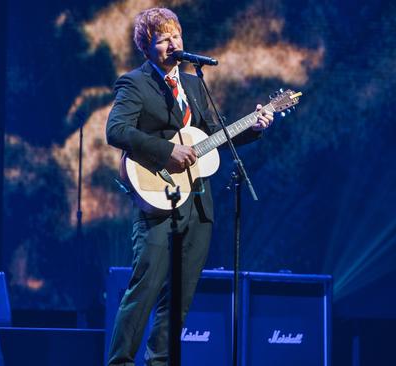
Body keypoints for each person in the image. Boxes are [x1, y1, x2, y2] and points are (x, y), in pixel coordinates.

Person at [105, 7, 273, 366]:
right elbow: (116, 130)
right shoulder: (135, 83)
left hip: (197, 205)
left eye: (176, 36)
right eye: (163, 38)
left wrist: (254, 128)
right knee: (145, 290)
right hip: (155, 199)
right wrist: (167, 151)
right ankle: (119, 362)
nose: (172, 43)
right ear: (146, 46)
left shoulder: (195, 84)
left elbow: (214, 137)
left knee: (179, 299)